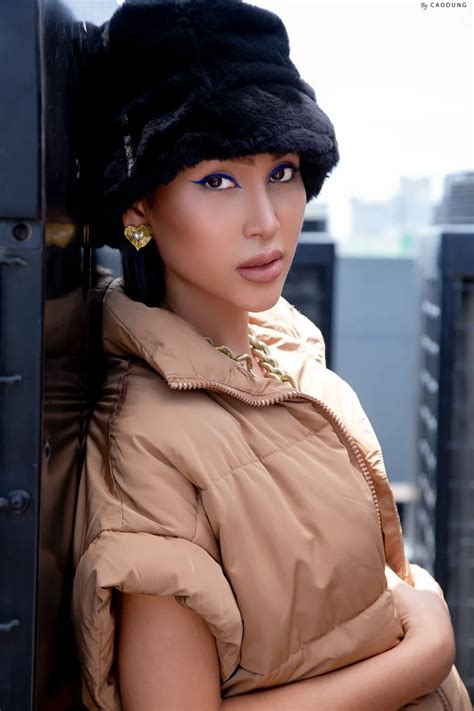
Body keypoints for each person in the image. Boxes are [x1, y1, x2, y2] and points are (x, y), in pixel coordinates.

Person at [71, 1, 471, 709]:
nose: (267, 221)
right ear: (138, 210)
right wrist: (427, 652)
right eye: (217, 180)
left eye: (282, 171)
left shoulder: (285, 346)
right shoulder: (149, 443)